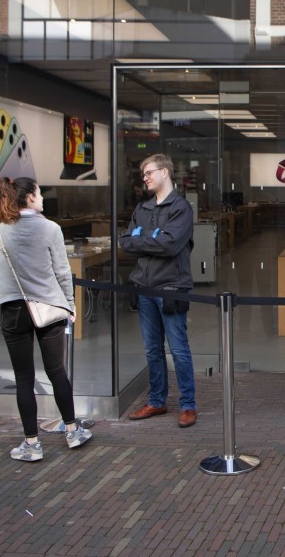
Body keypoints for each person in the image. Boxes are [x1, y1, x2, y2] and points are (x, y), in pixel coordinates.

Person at [0, 177, 92, 462]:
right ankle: (73, 431)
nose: (42, 198)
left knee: (24, 379)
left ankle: (31, 444)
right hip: (49, 309)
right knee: (57, 372)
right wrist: (70, 304)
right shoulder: (51, 228)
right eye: (39, 193)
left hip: (12, 311)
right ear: (28, 197)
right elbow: (63, 272)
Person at [119, 154, 198, 428]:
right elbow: (126, 242)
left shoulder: (181, 208)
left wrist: (144, 240)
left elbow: (171, 245)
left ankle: (188, 405)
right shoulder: (142, 208)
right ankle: (157, 401)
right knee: (152, 350)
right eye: (144, 174)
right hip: (144, 287)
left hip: (171, 288)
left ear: (165, 172)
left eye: (149, 172)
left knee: (178, 349)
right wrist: (151, 239)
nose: (145, 178)